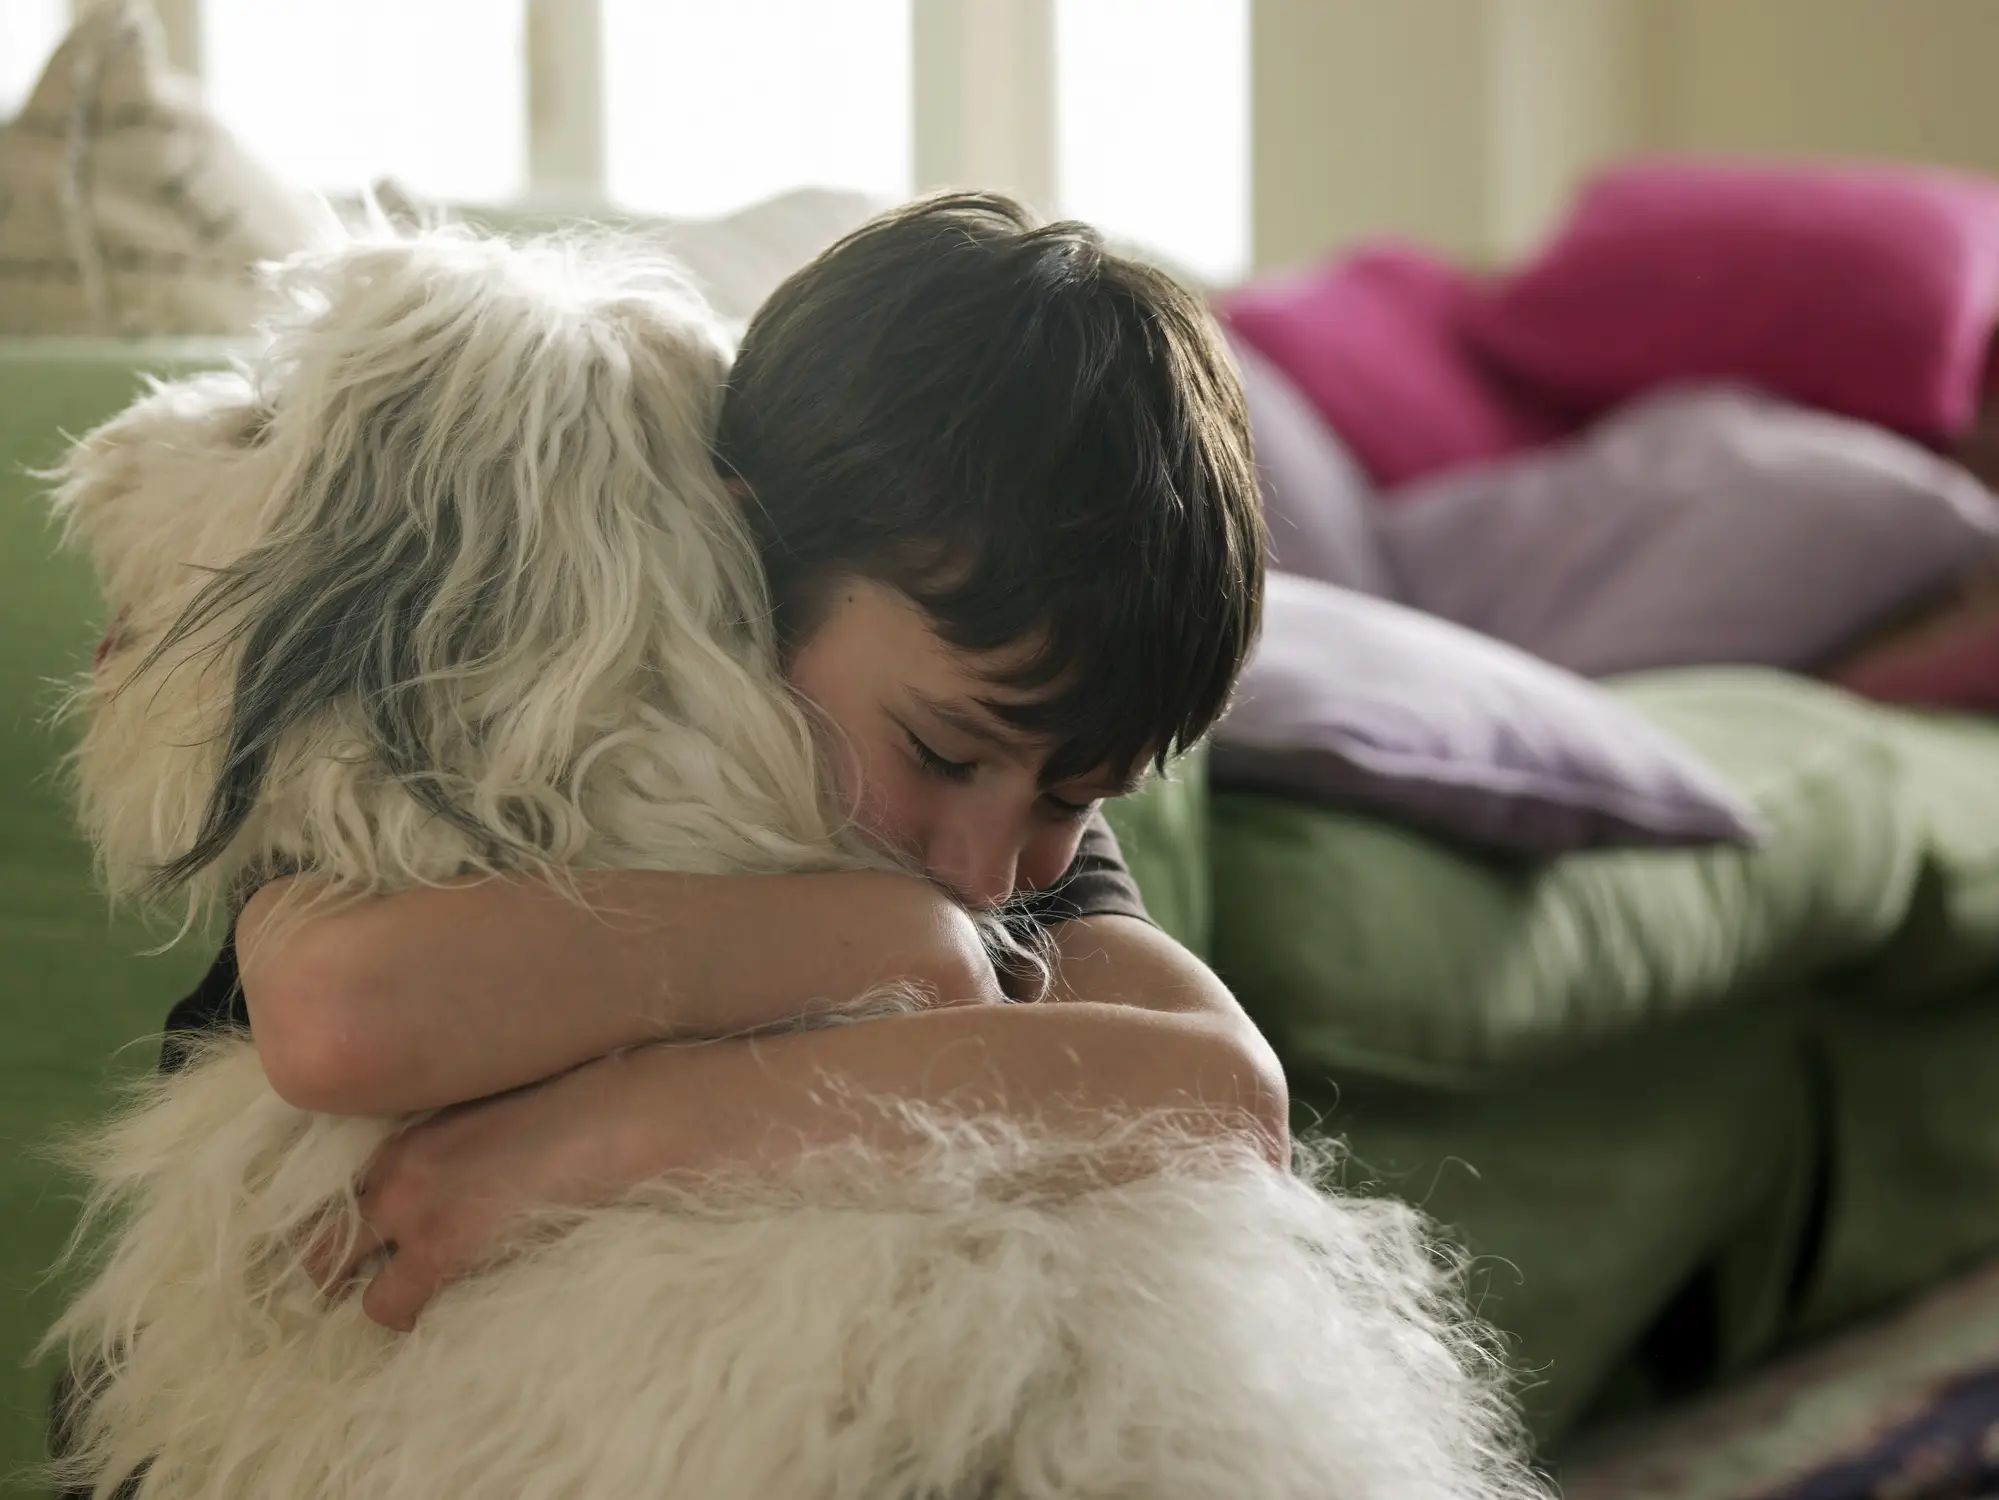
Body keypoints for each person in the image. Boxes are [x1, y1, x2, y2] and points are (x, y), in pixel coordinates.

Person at [158, 192, 1284, 1334]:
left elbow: (1227, 1104)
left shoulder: (996, 795)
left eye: (1076, 796)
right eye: (944, 753)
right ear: (747, 561)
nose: (991, 874)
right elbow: (337, 1016)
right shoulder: (520, 701)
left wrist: (606, 1138)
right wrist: (897, 945)